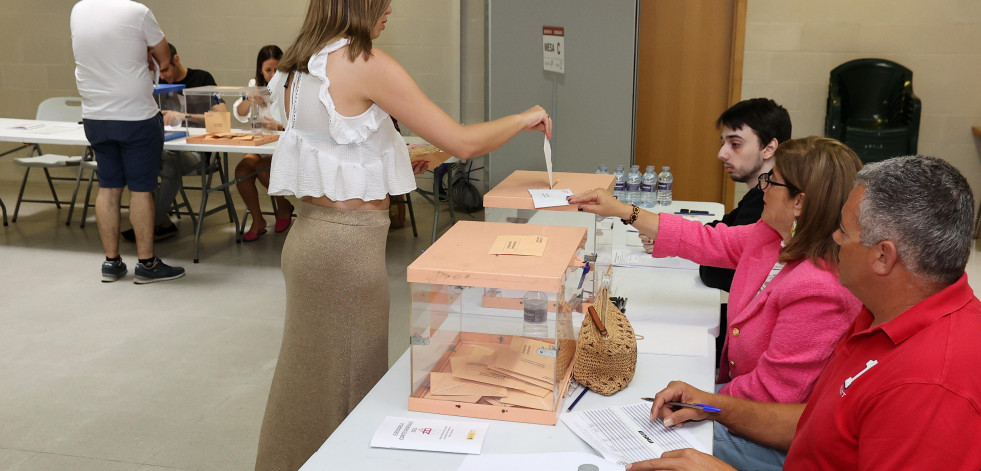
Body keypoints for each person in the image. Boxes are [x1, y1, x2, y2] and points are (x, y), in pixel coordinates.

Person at [253, 1, 552, 469]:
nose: (389, 7)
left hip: (311, 242)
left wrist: (393, 158)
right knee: (350, 388)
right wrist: (523, 117)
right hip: (347, 253)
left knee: (306, 383)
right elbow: (464, 142)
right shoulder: (363, 61)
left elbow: (333, 146)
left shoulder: (296, 67)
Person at [632, 155, 981, 471]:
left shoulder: (930, 387)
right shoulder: (883, 314)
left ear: (883, 257)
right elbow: (818, 423)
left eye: (844, 231)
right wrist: (714, 405)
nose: (833, 237)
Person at [569, 137, 863, 469]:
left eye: (772, 181)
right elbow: (708, 240)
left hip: (771, 431)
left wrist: (707, 403)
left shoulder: (820, 289)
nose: (762, 189)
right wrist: (624, 210)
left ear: (799, 203)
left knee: (644, 442)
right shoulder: (771, 235)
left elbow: (771, 396)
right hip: (739, 398)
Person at [70, 0, 185, 284]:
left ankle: (111, 262)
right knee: (141, 190)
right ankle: (146, 263)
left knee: (108, 188)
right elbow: (164, 57)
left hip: (95, 114)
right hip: (135, 115)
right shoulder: (137, 11)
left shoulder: (78, 10)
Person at [702, 98, 791, 366]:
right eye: (723, 142)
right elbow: (721, 228)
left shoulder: (769, 205)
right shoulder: (755, 196)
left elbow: (716, 269)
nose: (722, 153)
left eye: (735, 143)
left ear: (769, 147)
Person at [121, 43, 226, 242]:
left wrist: (184, 115)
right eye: (159, 72)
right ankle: (161, 223)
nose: (164, 76)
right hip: (166, 145)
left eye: (166, 69)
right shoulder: (156, 83)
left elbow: (222, 119)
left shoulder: (202, 79)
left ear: (176, 60)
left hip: (197, 150)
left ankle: (148, 224)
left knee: (170, 166)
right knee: (139, 161)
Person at [232, 45, 292, 241]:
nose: (273, 74)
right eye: (268, 70)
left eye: (277, 70)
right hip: (260, 143)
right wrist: (249, 100)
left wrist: (278, 126)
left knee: (263, 168)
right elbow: (240, 114)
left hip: (282, 145)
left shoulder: (290, 85)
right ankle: (258, 220)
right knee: (242, 171)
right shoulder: (254, 84)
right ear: (260, 69)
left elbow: (298, 122)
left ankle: (284, 207)